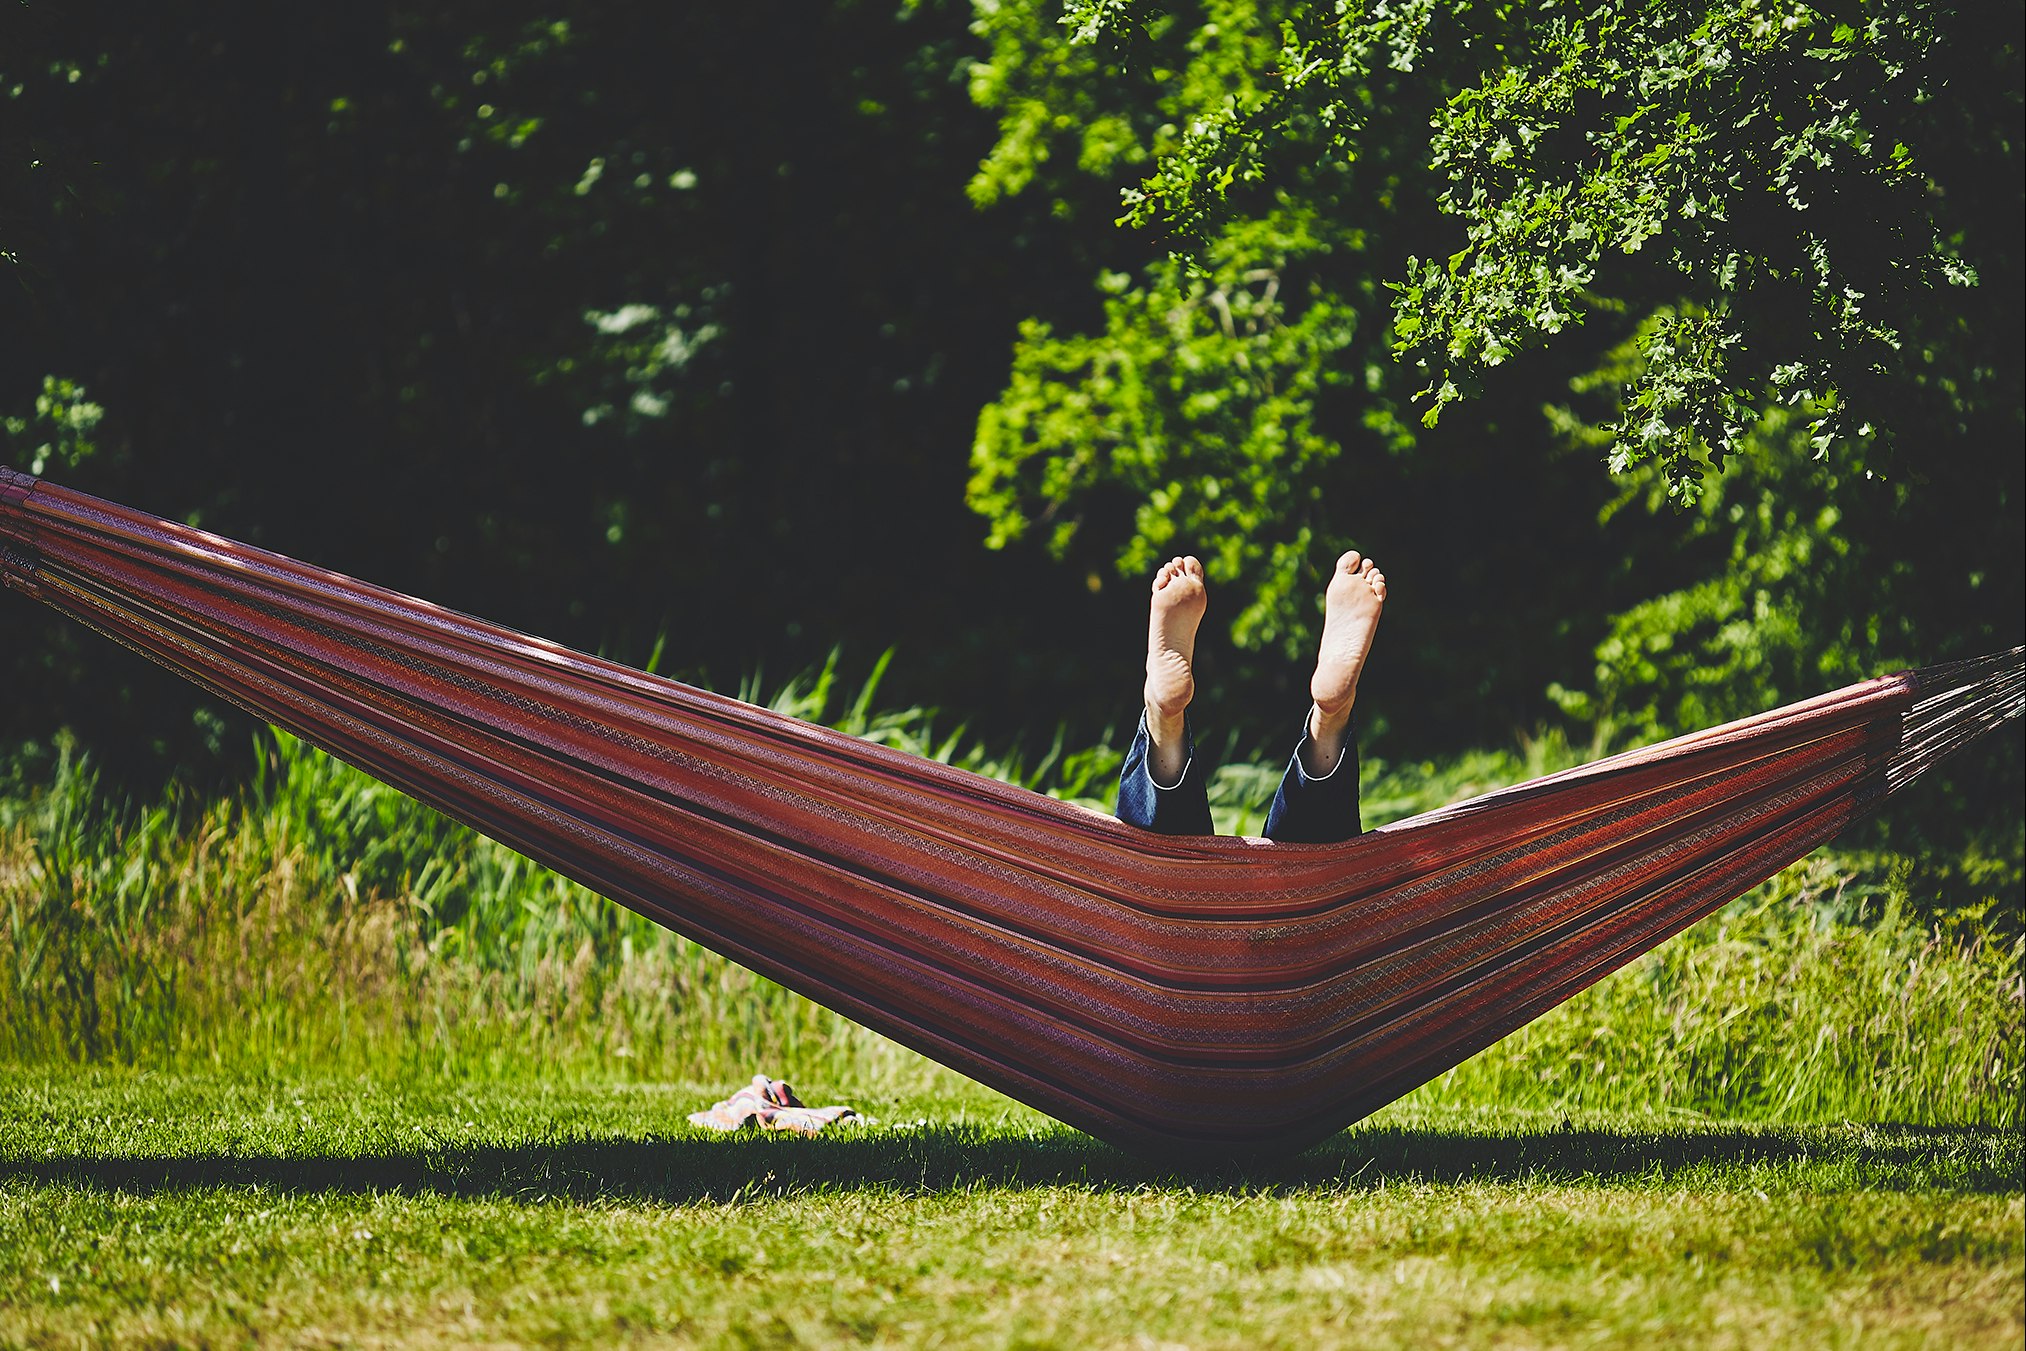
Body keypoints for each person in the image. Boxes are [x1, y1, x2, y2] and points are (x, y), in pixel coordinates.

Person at [1117, 551, 1386, 843]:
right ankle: (1331, 721)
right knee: (1309, 874)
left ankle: (1163, 725)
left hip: (1154, 884)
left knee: (1156, 870)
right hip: (1305, 888)